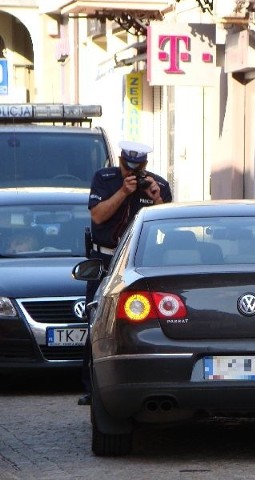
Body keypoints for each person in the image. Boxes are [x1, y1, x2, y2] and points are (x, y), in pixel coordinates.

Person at [77, 140, 172, 405]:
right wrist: (122, 192)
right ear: (119, 161)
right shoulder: (104, 179)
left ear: (145, 165)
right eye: (127, 166)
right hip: (105, 258)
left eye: (137, 168)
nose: (131, 172)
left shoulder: (158, 185)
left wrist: (158, 200)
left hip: (138, 262)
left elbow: (168, 228)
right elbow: (97, 216)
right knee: (96, 318)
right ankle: (92, 387)